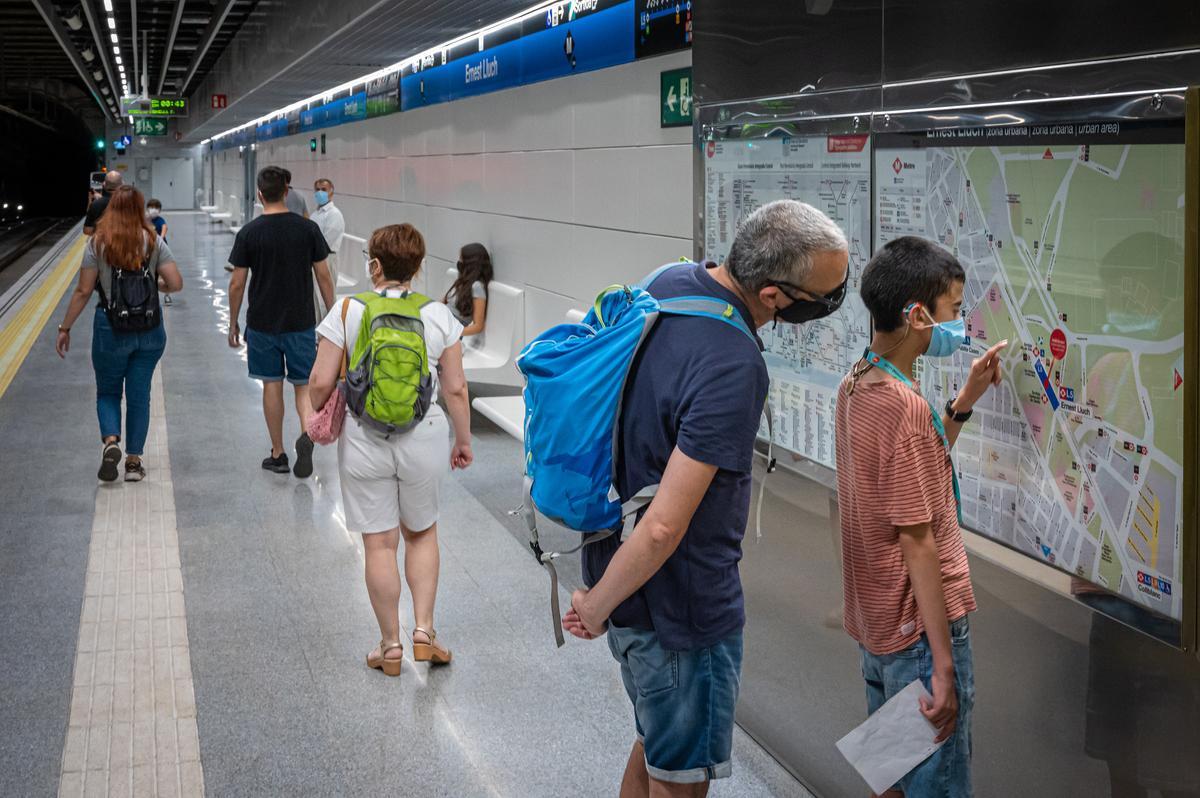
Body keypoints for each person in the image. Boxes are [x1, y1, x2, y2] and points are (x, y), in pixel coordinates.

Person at [562, 199, 849, 795]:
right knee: (682, 779)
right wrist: (594, 606)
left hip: (619, 567)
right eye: (824, 296)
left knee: (656, 743)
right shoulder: (732, 362)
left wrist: (605, 595)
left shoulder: (670, 281)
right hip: (679, 609)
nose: (830, 305)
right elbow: (666, 526)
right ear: (773, 296)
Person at [835, 236, 1007, 798]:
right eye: (954, 310)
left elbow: (915, 476)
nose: (960, 324)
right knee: (936, 785)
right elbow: (919, 541)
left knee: (891, 778)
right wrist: (943, 664)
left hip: (880, 627)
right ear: (916, 314)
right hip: (918, 637)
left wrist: (963, 402)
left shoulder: (858, 383)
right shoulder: (904, 408)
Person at [308, 223, 473, 676]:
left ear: (374, 265)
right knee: (420, 533)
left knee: (379, 544)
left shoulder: (346, 310)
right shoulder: (439, 316)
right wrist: (462, 440)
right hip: (423, 436)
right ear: (418, 269)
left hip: (364, 437)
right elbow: (455, 389)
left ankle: (390, 646)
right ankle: (424, 632)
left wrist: (315, 414)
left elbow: (321, 382)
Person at [55, 185, 183, 482]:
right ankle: (134, 463)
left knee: (109, 392)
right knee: (140, 396)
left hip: (110, 327)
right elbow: (175, 283)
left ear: (111, 209)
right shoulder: (152, 240)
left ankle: (111, 443)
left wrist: (65, 328)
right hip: (150, 330)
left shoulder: (98, 242)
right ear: (140, 209)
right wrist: (156, 288)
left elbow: (83, 290)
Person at [226, 166, 334, 478]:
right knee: (302, 385)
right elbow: (323, 276)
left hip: (262, 322)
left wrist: (233, 322)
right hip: (301, 320)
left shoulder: (250, 232)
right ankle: (306, 434)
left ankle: (278, 452)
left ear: (260, 194)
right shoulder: (307, 229)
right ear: (287, 192)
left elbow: (236, 284)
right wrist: (333, 317)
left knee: (271, 384)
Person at [442, 243, 492, 341]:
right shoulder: (462, 280)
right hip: (441, 322)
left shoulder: (476, 287)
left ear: (470, 263)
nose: (459, 261)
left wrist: (454, 333)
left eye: (461, 259)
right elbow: (443, 301)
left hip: (449, 332)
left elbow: (478, 326)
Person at [311, 178, 345, 314]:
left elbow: (326, 243)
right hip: (315, 259)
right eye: (317, 189)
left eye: (324, 190)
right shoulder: (316, 214)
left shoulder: (334, 215)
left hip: (326, 258)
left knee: (324, 297)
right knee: (315, 298)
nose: (320, 192)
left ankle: (328, 331)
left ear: (331, 192)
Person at [147, 198, 172, 305]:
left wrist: (160, 238)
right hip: (149, 250)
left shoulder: (160, 220)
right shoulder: (146, 220)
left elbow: (164, 227)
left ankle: (167, 295)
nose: (154, 210)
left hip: (161, 250)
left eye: (156, 208)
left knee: (164, 273)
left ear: (159, 210)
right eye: (151, 207)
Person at [84, 171, 122, 235]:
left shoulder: (96, 204)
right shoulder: (130, 202)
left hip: (103, 243)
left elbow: (87, 230)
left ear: (104, 185)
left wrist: (92, 200)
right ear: (122, 184)